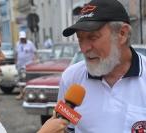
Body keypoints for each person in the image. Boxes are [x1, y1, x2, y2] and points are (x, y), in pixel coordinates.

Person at [58, 0, 146, 132]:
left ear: (122, 34)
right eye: (80, 39)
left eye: (92, 37)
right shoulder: (71, 78)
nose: (84, 48)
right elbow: (66, 128)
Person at [15, 31, 37, 100]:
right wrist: (16, 62)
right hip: (20, 65)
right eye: (21, 38)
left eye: (23, 38)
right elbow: (16, 54)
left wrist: (35, 61)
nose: (22, 39)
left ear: (26, 38)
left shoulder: (30, 44)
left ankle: (25, 94)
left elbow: (35, 53)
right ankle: (22, 93)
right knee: (20, 80)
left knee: (27, 80)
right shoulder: (17, 44)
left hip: (28, 65)